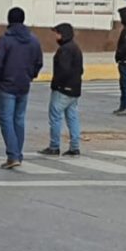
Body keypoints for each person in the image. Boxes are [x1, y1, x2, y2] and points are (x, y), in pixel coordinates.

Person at [0, 7, 44, 170]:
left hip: (6, 85)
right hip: (24, 85)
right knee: (19, 120)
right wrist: (30, 76)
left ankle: (13, 155)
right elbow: (39, 62)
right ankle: (17, 155)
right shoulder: (34, 40)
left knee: (6, 120)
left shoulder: (4, 40)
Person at [39, 23, 83, 157]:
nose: (56, 37)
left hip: (63, 89)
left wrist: (56, 85)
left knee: (55, 117)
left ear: (63, 35)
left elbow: (63, 71)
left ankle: (54, 146)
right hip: (74, 89)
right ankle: (75, 147)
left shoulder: (65, 50)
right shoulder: (75, 48)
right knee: (72, 117)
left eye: (57, 34)